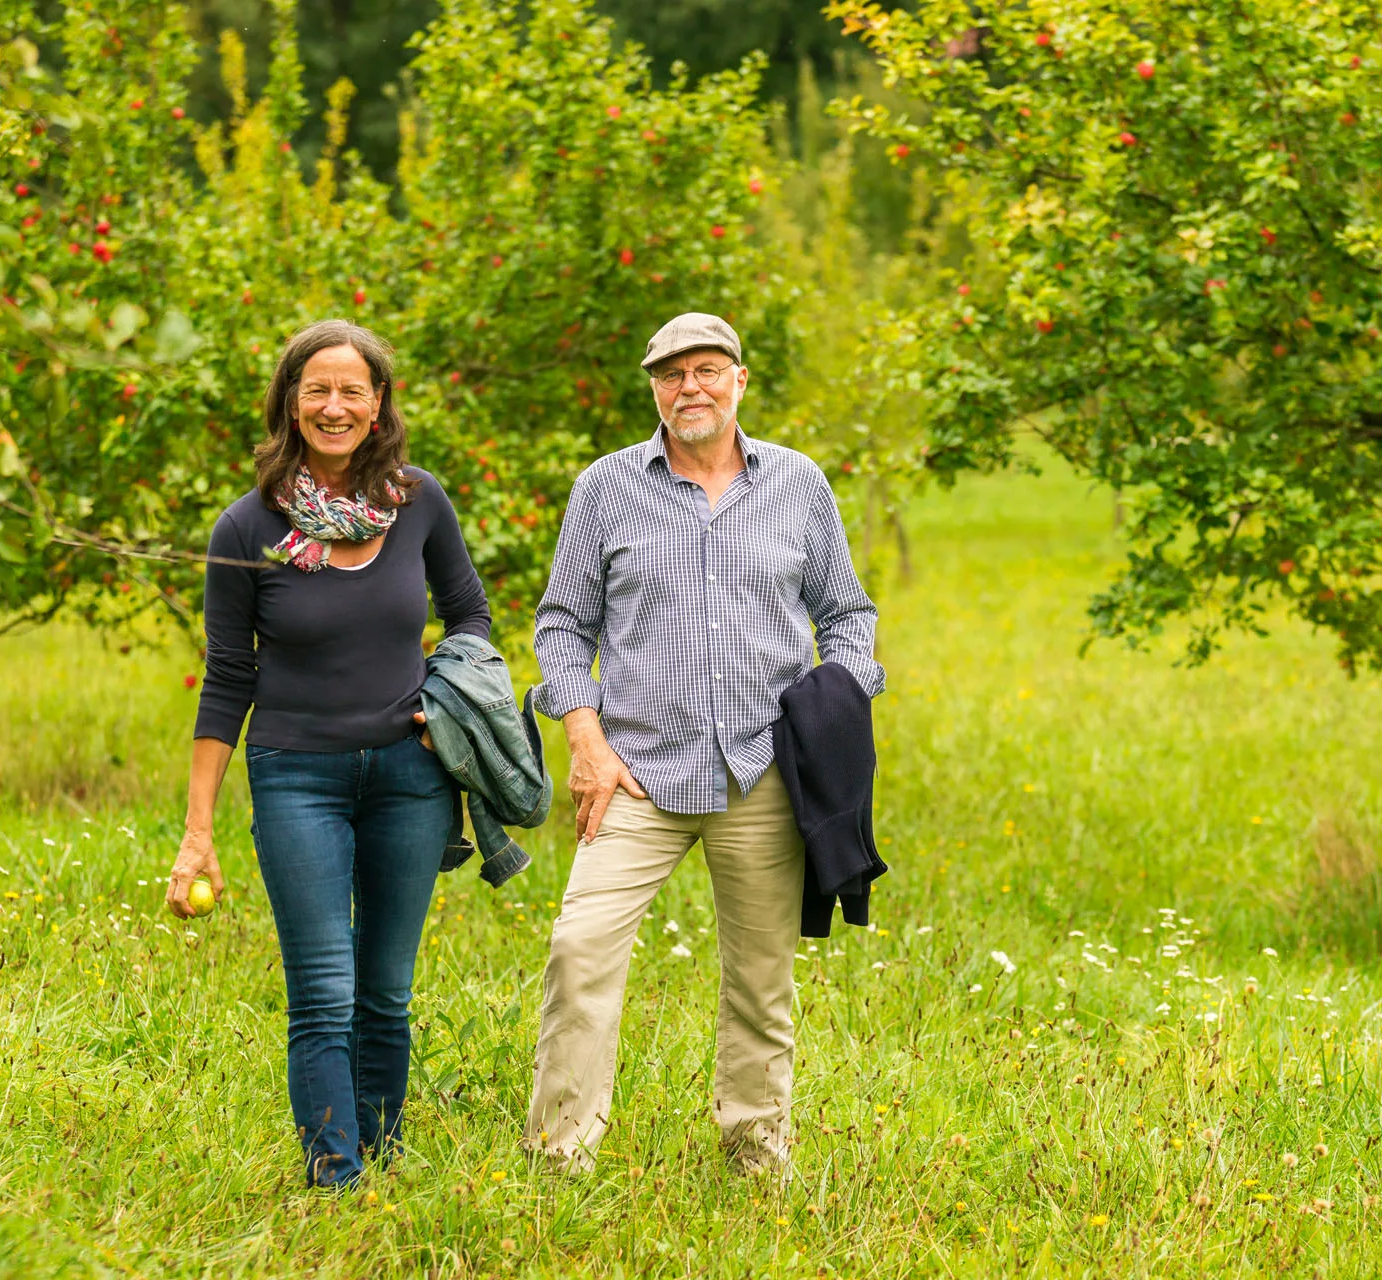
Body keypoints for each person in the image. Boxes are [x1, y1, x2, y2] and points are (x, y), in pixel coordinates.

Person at [523, 312, 885, 1175]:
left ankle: (757, 1153)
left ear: (739, 381)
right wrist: (584, 735)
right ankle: (557, 1153)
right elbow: (563, 623)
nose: (691, 387)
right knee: (579, 952)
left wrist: (839, 697)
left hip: (762, 771)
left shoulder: (798, 484)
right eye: (672, 373)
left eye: (707, 369)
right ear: (653, 387)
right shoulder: (606, 487)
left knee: (762, 983)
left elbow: (848, 614)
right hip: (634, 773)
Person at [169, 319, 491, 1189]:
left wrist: (445, 700)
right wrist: (198, 831)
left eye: (353, 389)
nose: (336, 406)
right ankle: (336, 1180)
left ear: (379, 402)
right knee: (323, 994)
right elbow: (226, 680)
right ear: (291, 403)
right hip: (296, 778)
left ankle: (382, 1161)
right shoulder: (248, 528)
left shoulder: (420, 502)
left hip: (409, 779)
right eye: (318, 389)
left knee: (385, 994)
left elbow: (471, 613)